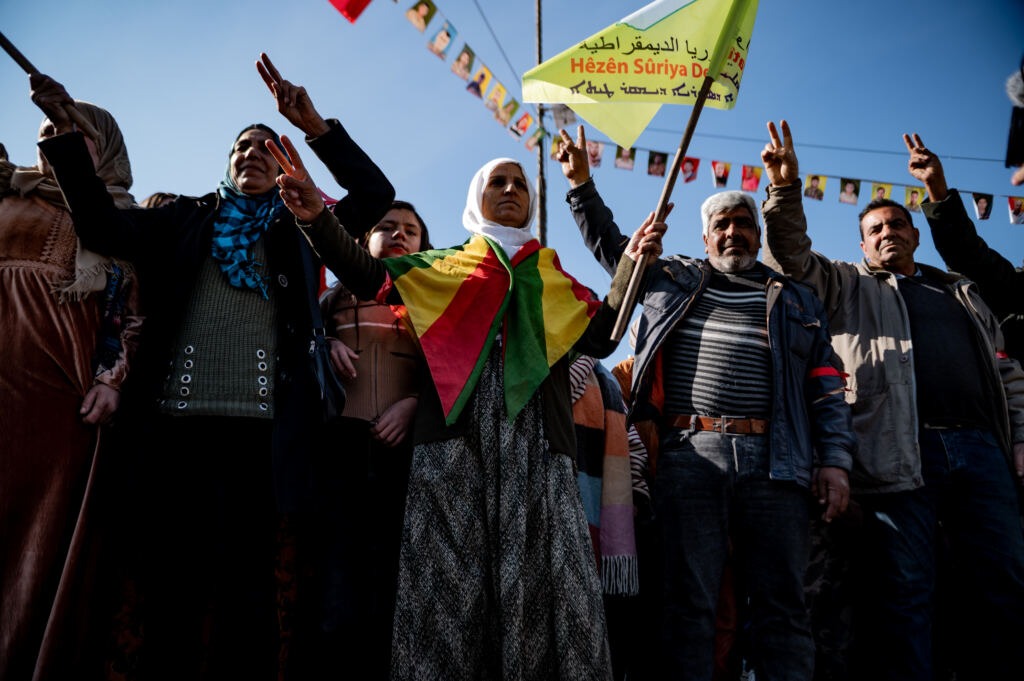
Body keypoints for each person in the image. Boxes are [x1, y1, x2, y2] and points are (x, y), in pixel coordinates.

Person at [30, 52, 395, 680]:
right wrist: (65, 137)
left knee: (248, 600)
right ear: (226, 163)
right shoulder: (184, 218)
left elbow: (374, 195)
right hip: (175, 434)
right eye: (241, 147)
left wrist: (314, 127)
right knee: (171, 591)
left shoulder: (305, 223)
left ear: (284, 163)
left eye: (266, 147)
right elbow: (102, 226)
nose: (252, 153)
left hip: (264, 439)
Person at [271, 135, 666, 680]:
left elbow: (603, 335)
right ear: (476, 196)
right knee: (448, 595)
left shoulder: (551, 276)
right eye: (497, 182)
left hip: (538, 453)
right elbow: (369, 275)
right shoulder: (443, 269)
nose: (510, 189)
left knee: (540, 591)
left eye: (520, 183)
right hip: (454, 450)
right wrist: (318, 218)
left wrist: (632, 263)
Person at [558, 124, 856, 681]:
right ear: (705, 237)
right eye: (722, 224)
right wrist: (580, 185)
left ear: (758, 236)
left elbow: (827, 389)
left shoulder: (797, 299)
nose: (734, 232)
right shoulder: (669, 279)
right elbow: (614, 250)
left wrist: (836, 461)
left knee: (783, 608)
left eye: (744, 223)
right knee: (688, 604)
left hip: (779, 463)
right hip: (689, 457)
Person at [760, 119, 1024, 681]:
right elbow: (793, 257)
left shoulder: (961, 291)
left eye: (897, 224)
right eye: (875, 228)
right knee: (906, 596)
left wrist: (1020, 439)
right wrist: (783, 190)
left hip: (984, 452)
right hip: (898, 455)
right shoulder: (848, 285)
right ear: (862, 244)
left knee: (1003, 584)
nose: (887, 233)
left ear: (915, 234)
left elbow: (1009, 374)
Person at [1, 93, 142, 681]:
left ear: (103, 147)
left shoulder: (122, 220)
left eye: (71, 129)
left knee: (35, 539)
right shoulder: (7, 190)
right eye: (46, 129)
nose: (53, 137)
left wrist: (112, 380)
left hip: (62, 398)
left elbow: (130, 314)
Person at [311, 200, 430, 679]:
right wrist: (324, 344)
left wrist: (415, 405)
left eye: (410, 230)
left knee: (396, 585)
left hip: (409, 459)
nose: (399, 234)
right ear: (364, 239)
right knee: (336, 582)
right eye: (387, 226)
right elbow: (298, 343)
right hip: (339, 453)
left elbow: (459, 374)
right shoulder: (332, 298)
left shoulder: (434, 299)